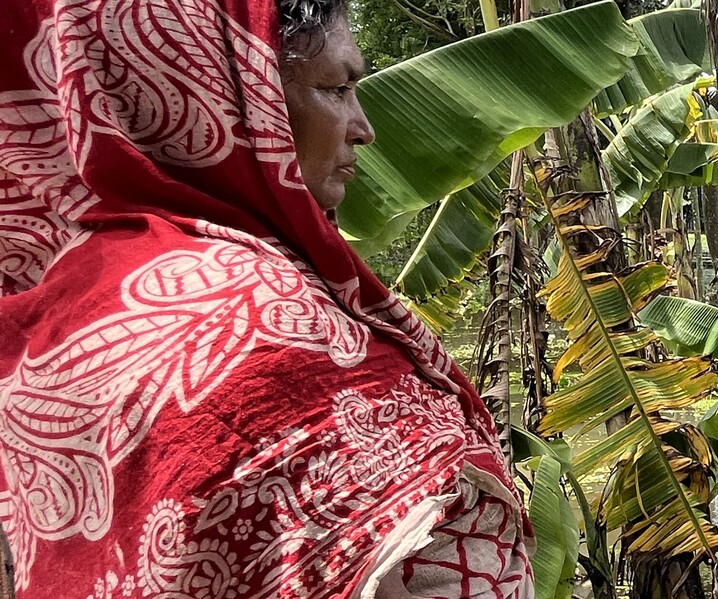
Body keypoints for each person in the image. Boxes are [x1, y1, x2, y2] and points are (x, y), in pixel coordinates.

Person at [0, 1, 528, 597]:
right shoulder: (279, 329)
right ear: (225, 96)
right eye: (336, 88)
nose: (364, 127)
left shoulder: (46, 321)